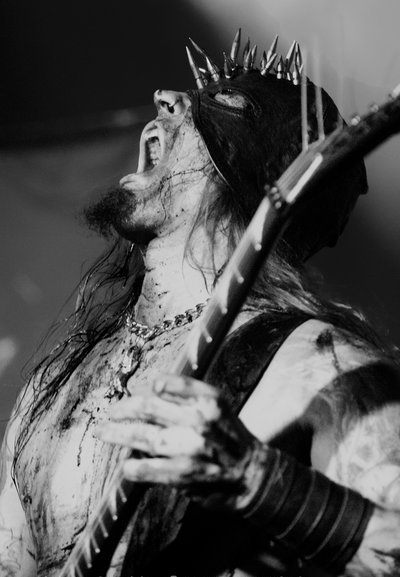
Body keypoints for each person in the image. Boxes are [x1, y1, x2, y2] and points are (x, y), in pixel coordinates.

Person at [1, 29, 400, 577]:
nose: (165, 96)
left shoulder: (324, 367)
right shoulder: (54, 382)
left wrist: (256, 479)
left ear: (265, 172)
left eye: (226, 102)